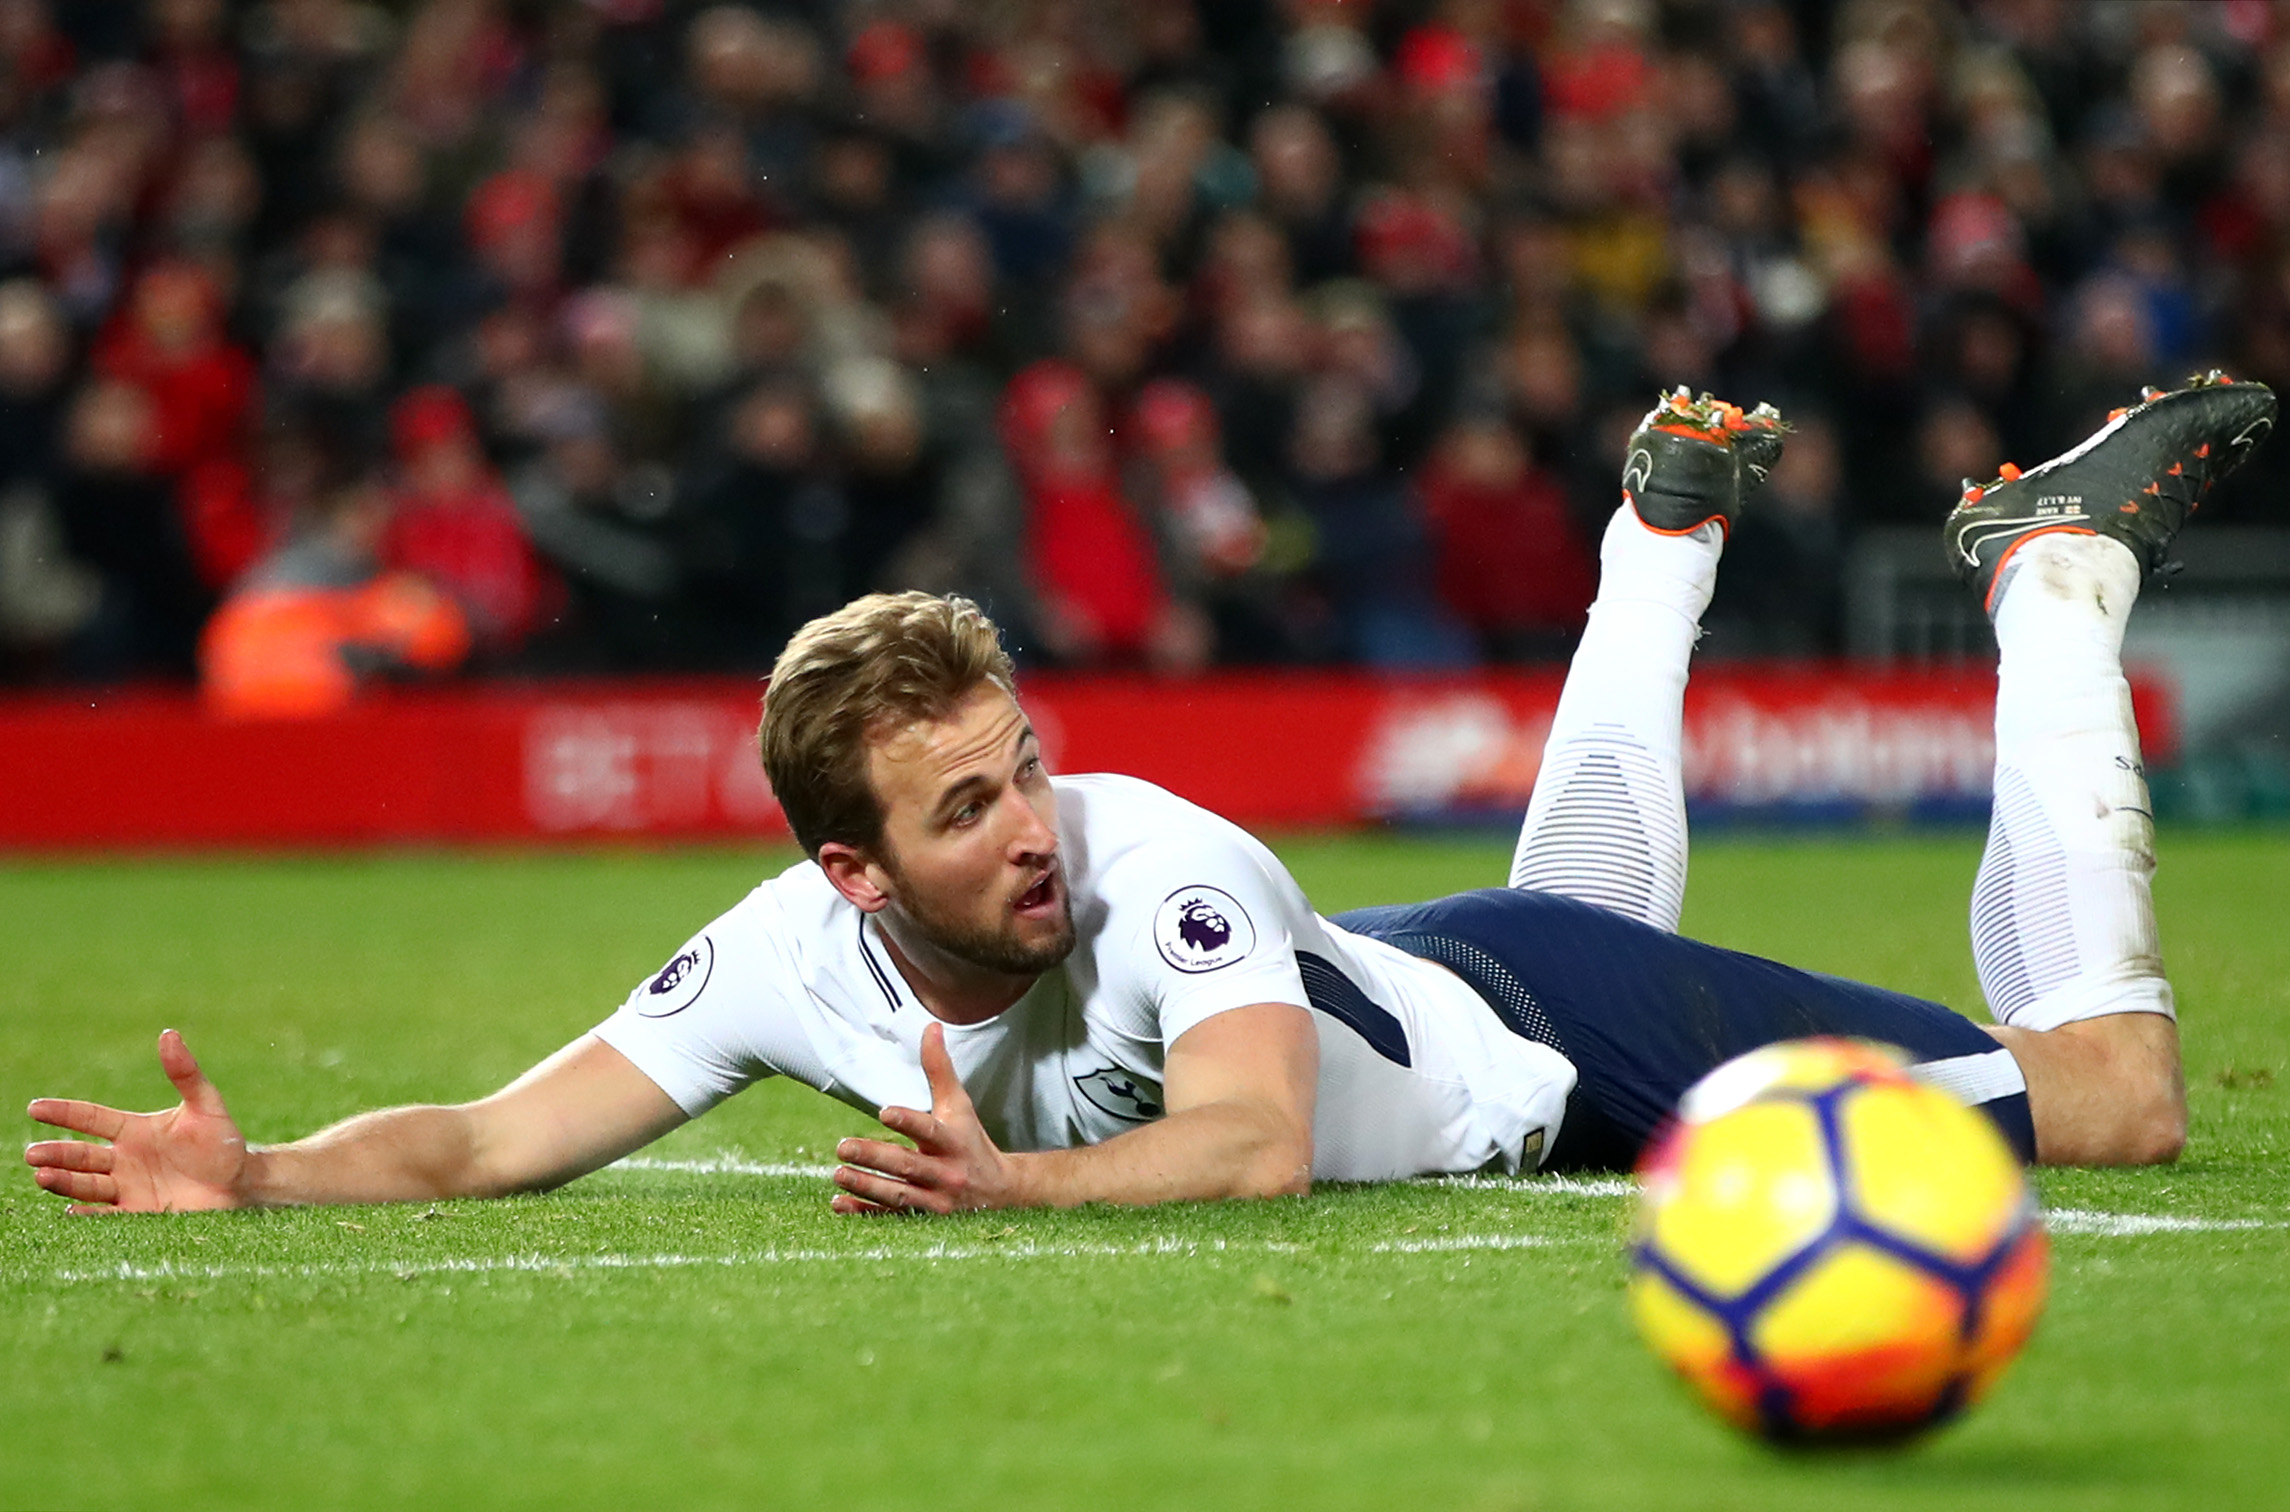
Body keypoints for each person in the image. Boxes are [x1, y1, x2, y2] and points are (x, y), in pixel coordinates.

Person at [24, 374, 2275, 1213]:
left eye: (1023, 766)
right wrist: (263, 1182)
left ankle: (2052, 584)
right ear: (847, 864)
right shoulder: (787, 958)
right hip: (1434, 988)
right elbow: (495, 1136)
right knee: (1533, 937)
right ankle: (1653, 554)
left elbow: (1253, 1149)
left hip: (1542, 1035)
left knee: (2109, 1110)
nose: (1030, 825)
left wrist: (1006, 1192)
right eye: (965, 809)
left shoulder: (1153, 854)